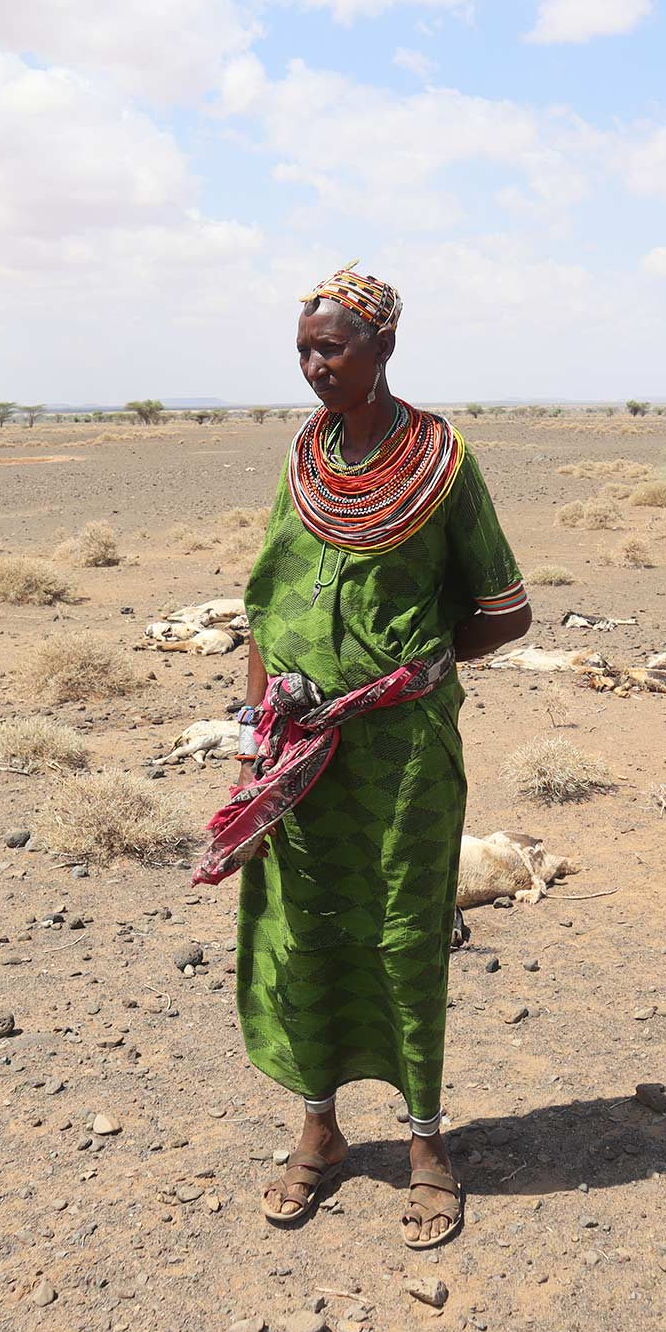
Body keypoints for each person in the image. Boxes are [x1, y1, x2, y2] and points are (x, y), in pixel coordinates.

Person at [192, 262, 533, 1249]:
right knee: (301, 929)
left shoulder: (442, 463)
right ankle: (319, 1133)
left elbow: (505, 613)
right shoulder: (306, 458)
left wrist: (408, 677)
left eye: (329, 348)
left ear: (383, 348)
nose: (311, 366)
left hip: (404, 762)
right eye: (302, 348)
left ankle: (426, 1147)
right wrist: (261, 737)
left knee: (401, 933)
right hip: (298, 757)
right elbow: (265, 602)